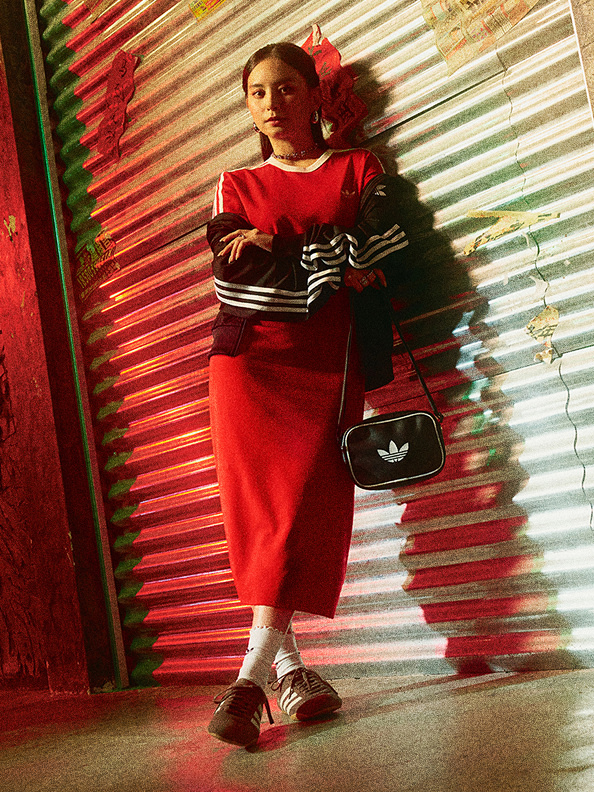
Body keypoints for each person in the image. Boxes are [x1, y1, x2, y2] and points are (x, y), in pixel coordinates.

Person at [206, 42, 410, 748]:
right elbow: (234, 271)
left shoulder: (362, 169)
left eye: (287, 88)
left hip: (332, 365)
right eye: (258, 92)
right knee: (264, 515)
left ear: (316, 97)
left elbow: (381, 244)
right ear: (248, 105)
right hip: (248, 368)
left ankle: (252, 679)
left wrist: (295, 254)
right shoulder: (233, 184)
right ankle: (283, 673)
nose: (273, 103)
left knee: (303, 510)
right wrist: (326, 262)